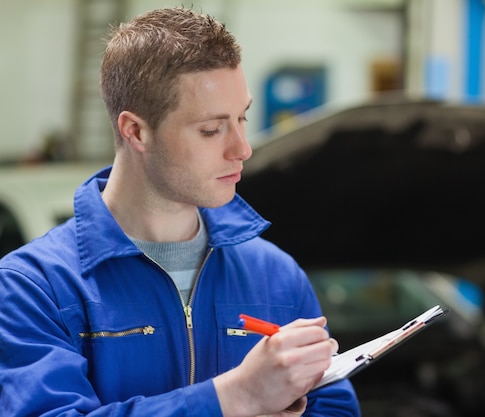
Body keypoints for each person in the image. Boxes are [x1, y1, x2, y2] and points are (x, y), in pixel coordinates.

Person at [0, 7, 360, 417]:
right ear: (135, 131)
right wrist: (234, 397)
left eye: (241, 117)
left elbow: (332, 407)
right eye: (211, 129)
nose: (242, 149)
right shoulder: (33, 288)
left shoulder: (277, 277)